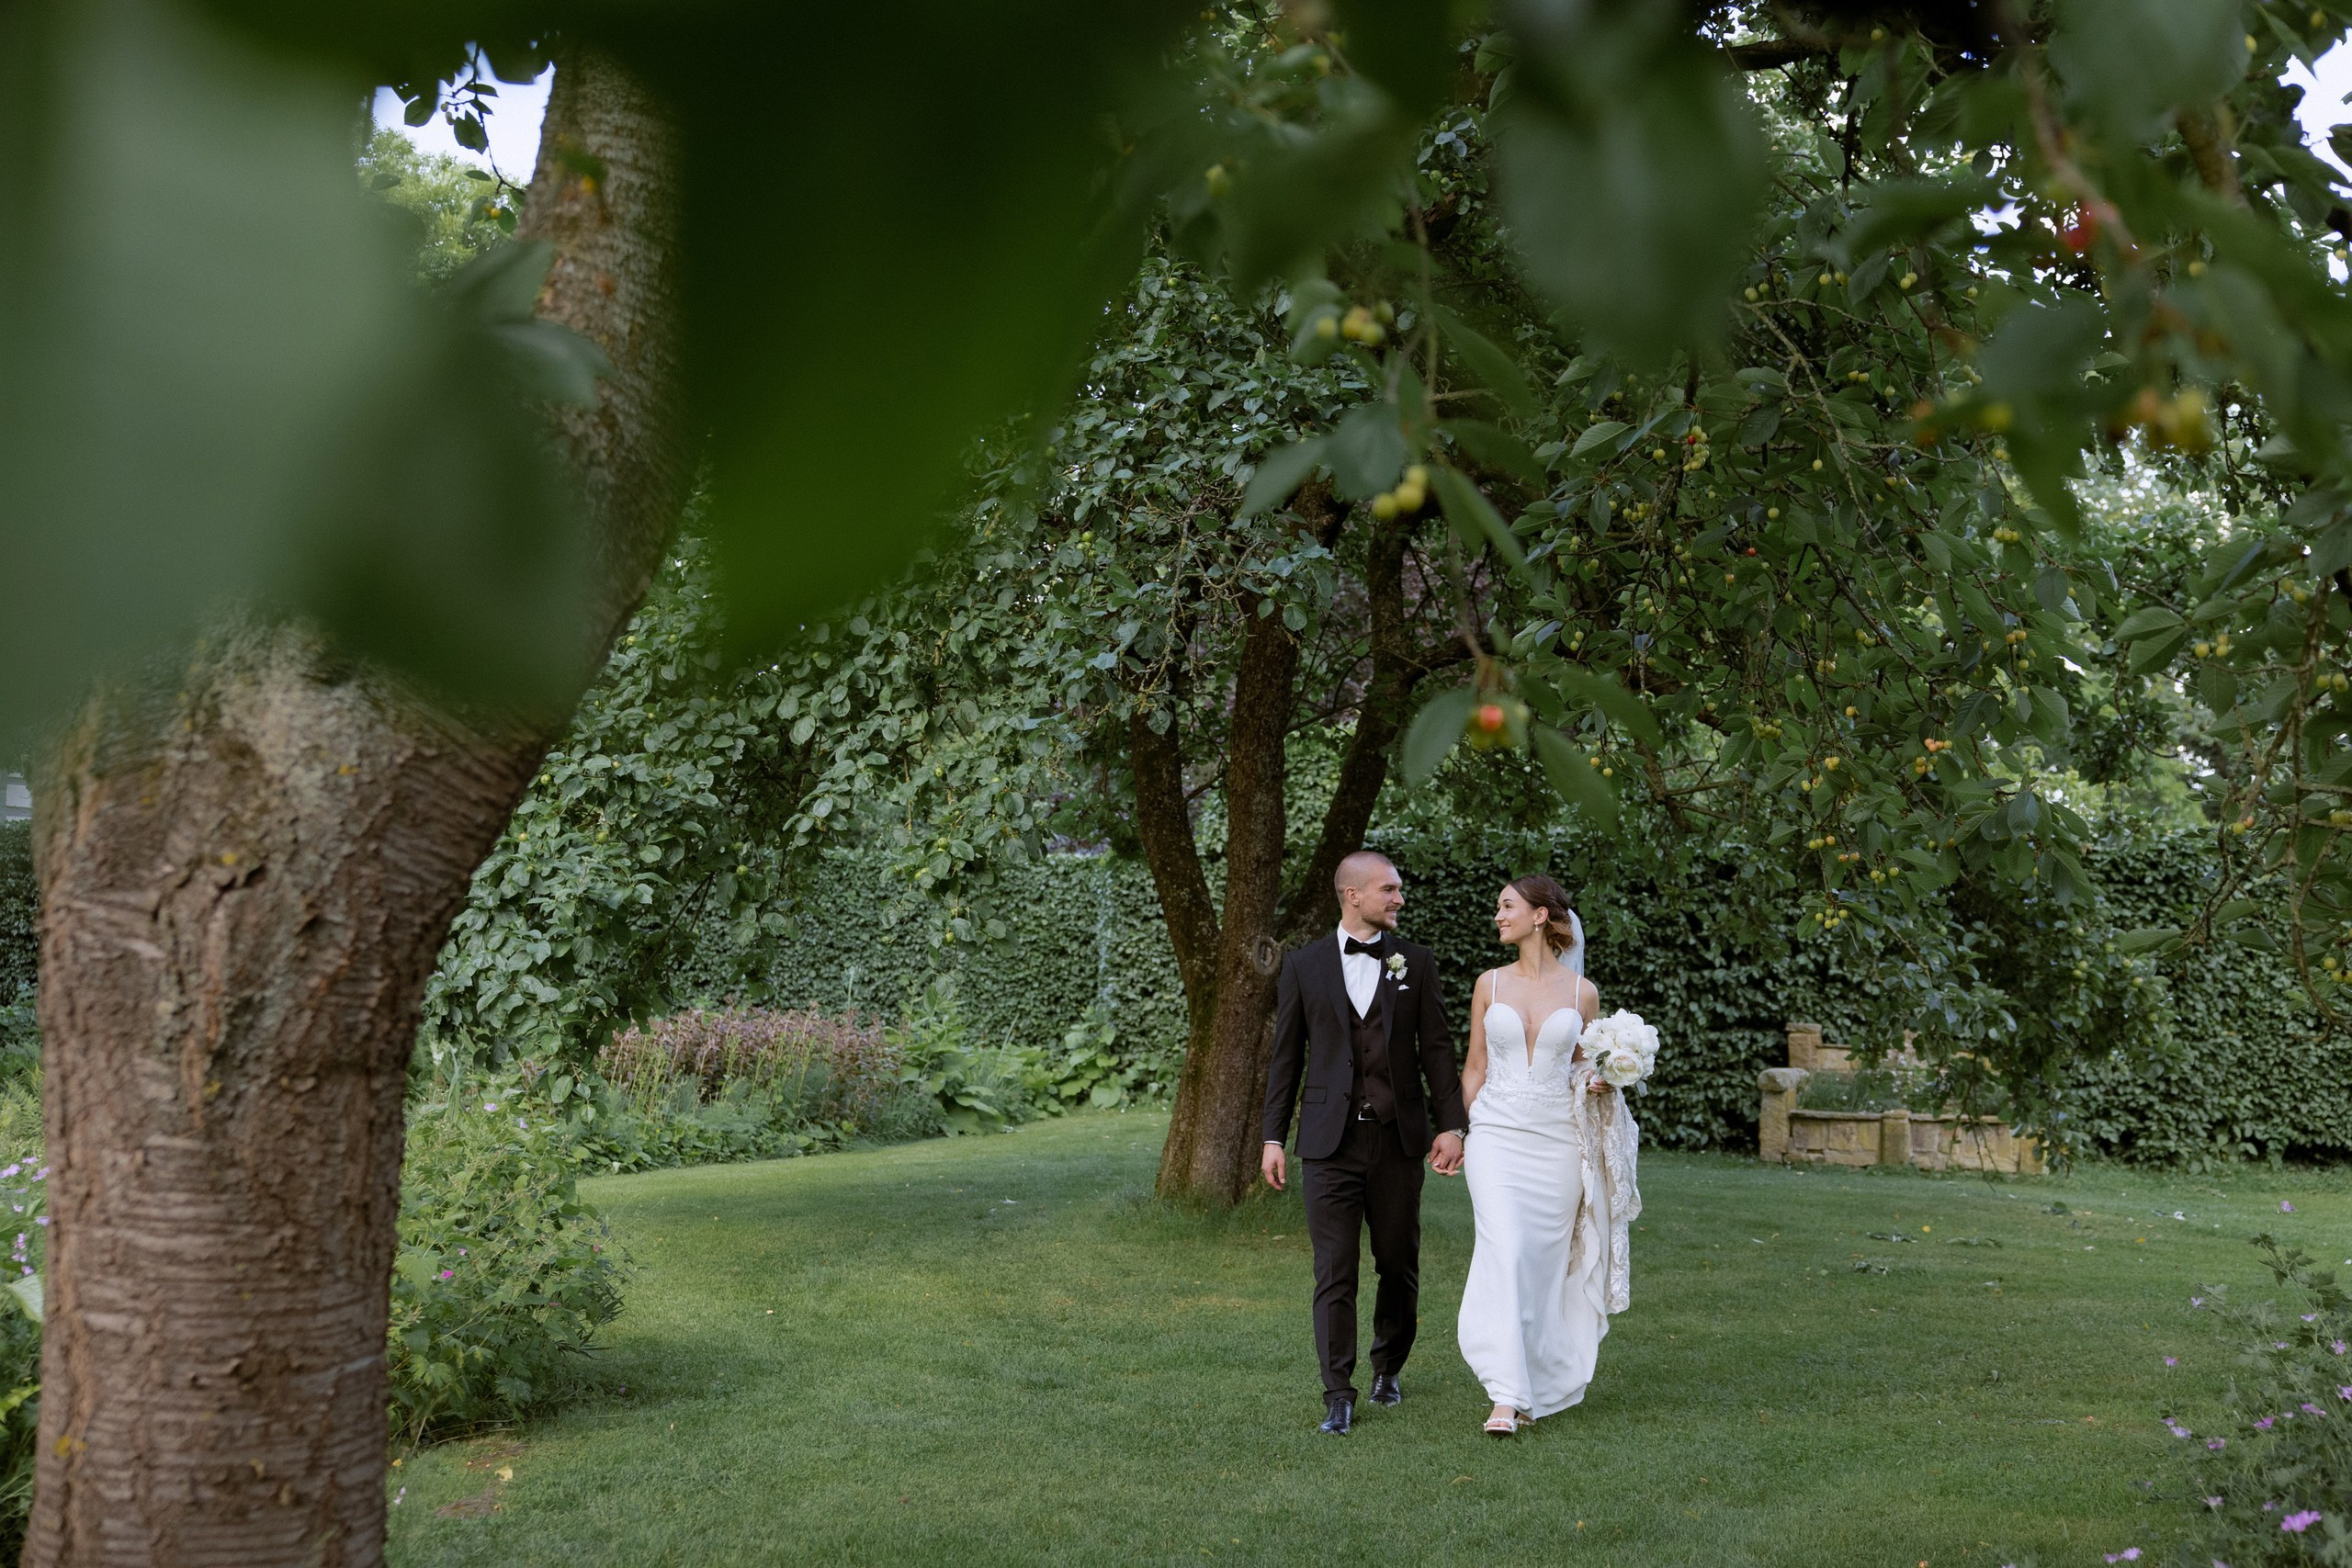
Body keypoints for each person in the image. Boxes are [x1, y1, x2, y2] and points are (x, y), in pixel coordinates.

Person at [1260, 850, 1467, 1436]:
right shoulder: (1304, 965)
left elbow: (1437, 1050)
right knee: (1334, 1270)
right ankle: (1338, 1393)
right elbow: (1285, 1058)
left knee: (1397, 1263)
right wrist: (1273, 1136)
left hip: (1398, 1141)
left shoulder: (1415, 962)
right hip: (1328, 1144)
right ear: (1353, 895)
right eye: (1389, 889)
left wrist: (1452, 1125)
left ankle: (1388, 1367)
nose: (1399, 898)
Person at [1454, 874, 1641, 1437]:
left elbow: (1582, 1067)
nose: (1498, 915)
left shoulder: (1583, 993)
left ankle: (1536, 1376)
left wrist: (1601, 1080)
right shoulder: (1488, 983)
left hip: (1558, 1143)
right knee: (1507, 1249)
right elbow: (1475, 1065)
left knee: (1541, 1263)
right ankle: (1506, 1396)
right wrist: (1463, 1129)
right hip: (1495, 1136)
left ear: (1539, 915)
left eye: (1506, 905)